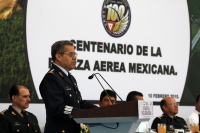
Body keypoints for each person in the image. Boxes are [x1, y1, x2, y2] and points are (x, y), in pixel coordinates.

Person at [39, 40, 97, 133]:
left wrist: (99, 110)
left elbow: (79, 103)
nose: (75, 58)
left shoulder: (70, 78)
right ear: (58, 56)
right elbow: (57, 108)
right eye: (71, 54)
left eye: (75, 54)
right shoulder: (51, 78)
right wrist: (83, 113)